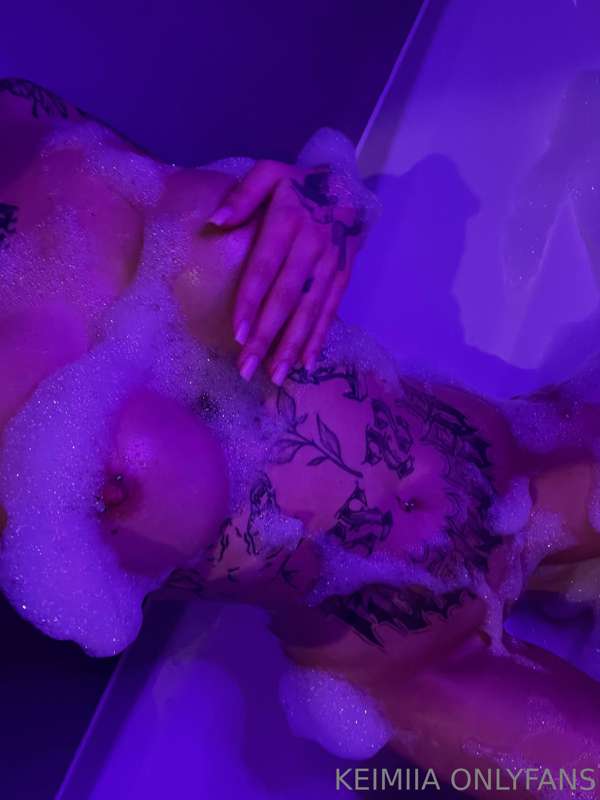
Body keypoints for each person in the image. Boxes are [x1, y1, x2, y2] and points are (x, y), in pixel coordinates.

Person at [1, 78, 600, 800]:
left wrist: (325, 207)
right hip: (416, 653)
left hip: (512, 455)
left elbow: (295, 210)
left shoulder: (23, 120)